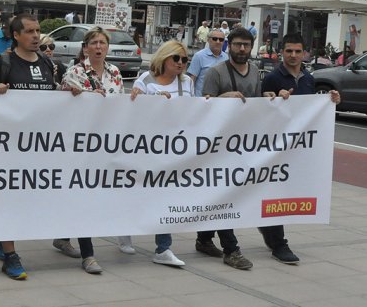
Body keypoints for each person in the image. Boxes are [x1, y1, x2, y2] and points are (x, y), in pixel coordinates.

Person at [0, 13, 72, 280]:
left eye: (38, 30)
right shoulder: (2, 63)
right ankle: (10, 256)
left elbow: (54, 97)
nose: (35, 36)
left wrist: (72, 95)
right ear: (15, 35)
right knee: (10, 197)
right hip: (7, 146)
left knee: (26, 199)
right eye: (29, 31)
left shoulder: (47, 64)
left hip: (38, 146)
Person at [259, 33, 341, 265]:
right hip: (275, 146)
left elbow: (311, 110)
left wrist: (331, 100)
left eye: (297, 51)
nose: (293, 56)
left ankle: (269, 229)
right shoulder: (273, 78)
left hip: (298, 148)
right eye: (288, 51)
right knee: (276, 190)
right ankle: (278, 243)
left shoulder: (308, 78)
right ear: (281, 52)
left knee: (287, 190)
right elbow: (263, 109)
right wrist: (274, 99)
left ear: (304, 53)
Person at [197, 27, 270, 270]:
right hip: (217, 148)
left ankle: (204, 238)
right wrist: (222, 99)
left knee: (221, 196)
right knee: (223, 196)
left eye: (246, 45)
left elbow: (256, 106)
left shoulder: (254, 73)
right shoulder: (215, 72)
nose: (241, 49)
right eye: (237, 44)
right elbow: (201, 108)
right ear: (229, 45)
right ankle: (232, 249)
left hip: (242, 146)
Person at [57, 26, 125, 273]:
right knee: (82, 194)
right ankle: (88, 254)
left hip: (104, 143)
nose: (98, 47)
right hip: (78, 144)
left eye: (102, 43)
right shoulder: (74, 72)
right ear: (85, 48)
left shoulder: (115, 73)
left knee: (84, 194)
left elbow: (120, 105)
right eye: (93, 43)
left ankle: (62, 236)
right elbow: (64, 104)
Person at [128, 40, 193, 268]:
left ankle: (163, 248)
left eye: (184, 60)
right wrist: (146, 101)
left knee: (166, 196)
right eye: (176, 58)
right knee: (138, 193)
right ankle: (125, 227)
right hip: (147, 147)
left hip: (173, 148)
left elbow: (193, 113)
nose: (181, 64)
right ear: (164, 58)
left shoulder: (187, 83)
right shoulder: (145, 81)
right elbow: (134, 114)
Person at [188, 29, 229, 97]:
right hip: (201, 100)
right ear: (208, 40)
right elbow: (192, 80)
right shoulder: (199, 56)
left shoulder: (226, 58)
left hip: (219, 101)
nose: (218, 42)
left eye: (221, 39)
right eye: (215, 39)